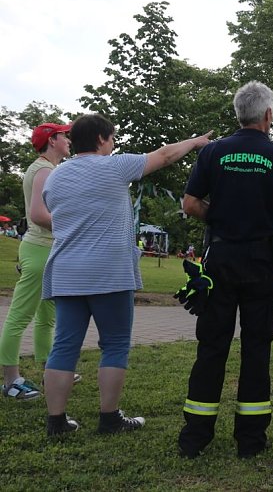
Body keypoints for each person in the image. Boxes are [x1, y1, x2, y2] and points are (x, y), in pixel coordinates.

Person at [41, 114, 211, 436]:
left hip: (66, 272)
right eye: (113, 138)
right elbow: (164, 155)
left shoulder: (55, 177)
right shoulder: (115, 166)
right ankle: (109, 418)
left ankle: (56, 422)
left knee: (63, 346)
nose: (114, 143)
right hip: (109, 272)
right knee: (115, 344)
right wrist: (195, 141)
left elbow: (49, 213)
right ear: (102, 139)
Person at [178, 80, 273, 459]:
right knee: (256, 349)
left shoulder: (214, 153)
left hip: (219, 260)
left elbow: (189, 203)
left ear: (239, 114)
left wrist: (216, 218)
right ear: (268, 115)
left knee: (212, 347)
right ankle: (250, 441)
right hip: (262, 263)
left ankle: (194, 438)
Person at [1, 123, 71, 401]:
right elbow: (40, 215)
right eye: (64, 136)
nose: (69, 140)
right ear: (53, 140)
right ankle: (10, 381)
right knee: (20, 317)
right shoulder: (43, 170)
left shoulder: (49, 169)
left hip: (48, 250)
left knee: (46, 318)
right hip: (40, 249)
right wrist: (73, 227)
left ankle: (48, 370)